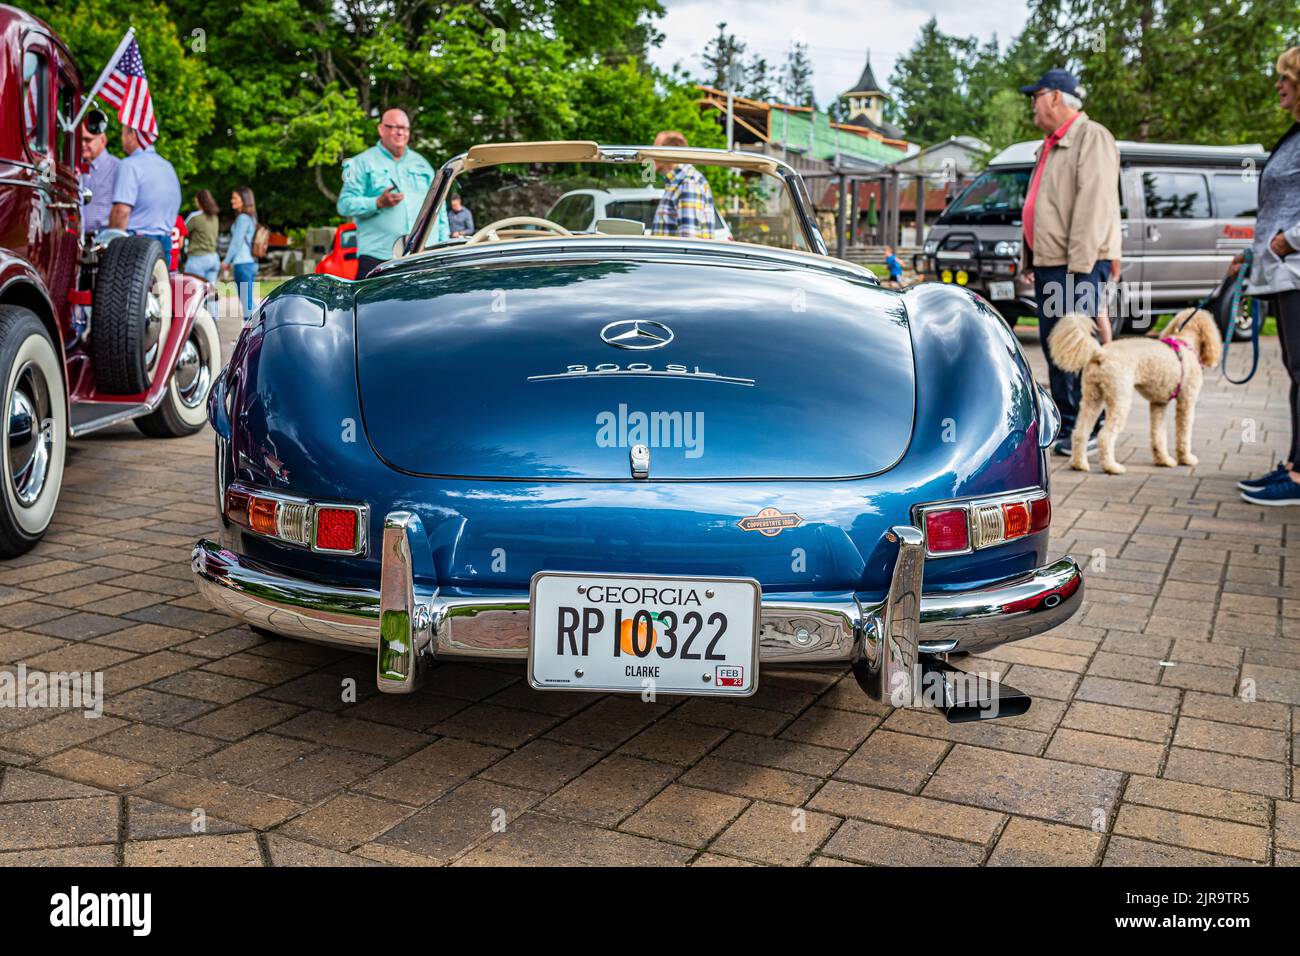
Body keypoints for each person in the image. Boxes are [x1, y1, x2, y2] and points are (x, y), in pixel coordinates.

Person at [1017, 68, 1121, 457]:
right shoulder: (1049, 144)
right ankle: (1068, 420)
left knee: (1073, 346)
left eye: (1037, 95)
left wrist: (1078, 269)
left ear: (1057, 97)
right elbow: (1040, 203)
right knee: (1052, 344)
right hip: (1052, 262)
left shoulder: (1091, 137)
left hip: (1074, 264)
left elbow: (1093, 206)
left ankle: (1088, 425)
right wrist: (1032, 255)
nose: (1033, 104)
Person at [1237, 46, 1300, 506]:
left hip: (1295, 268)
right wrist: (1254, 251)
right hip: (1282, 272)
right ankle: (1296, 464)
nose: (1278, 85)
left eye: (1286, 79)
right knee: (1296, 371)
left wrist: (1287, 242)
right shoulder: (1294, 136)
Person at [337, 108, 436, 278]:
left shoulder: (422, 164)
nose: (400, 133)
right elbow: (344, 204)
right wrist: (377, 203)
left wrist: (444, 245)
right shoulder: (359, 163)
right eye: (394, 127)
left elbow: (439, 208)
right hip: (379, 257)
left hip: (423, 255)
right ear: (381, 129)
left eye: (405, 128)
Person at [108, 126, 181, 266]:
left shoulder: (129, 165)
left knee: (125, 287)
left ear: (133, 135)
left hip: (135, 243)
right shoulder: (168, 167)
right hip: (165, 242)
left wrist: (111, 244)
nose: (122, 140)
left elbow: (121, 211)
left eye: (123, 134)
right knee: (158, 287)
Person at [650, 130, 717, 240]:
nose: (651, 155)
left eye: (655, 149)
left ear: (670, 152)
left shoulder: (688, 182)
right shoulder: (679, 181)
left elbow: (688, 242)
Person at [221, 186, 259, 319]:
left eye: (235, 198)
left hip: (243, 264)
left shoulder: (243, 218)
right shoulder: (251, 218)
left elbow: (236, 242)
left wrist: (226, 261)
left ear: (244, 200)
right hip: (250, 262)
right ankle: (255, 332)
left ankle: (251, 336)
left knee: (246, 303)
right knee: (248, 300)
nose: (232, 201)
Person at [79, 109, 118, 235]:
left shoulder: (118, 168)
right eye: (80, 139)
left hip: (102, 240)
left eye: (88, 140)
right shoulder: (74, 168)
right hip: (74, 237)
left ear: (102, 140)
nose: (82, 144)